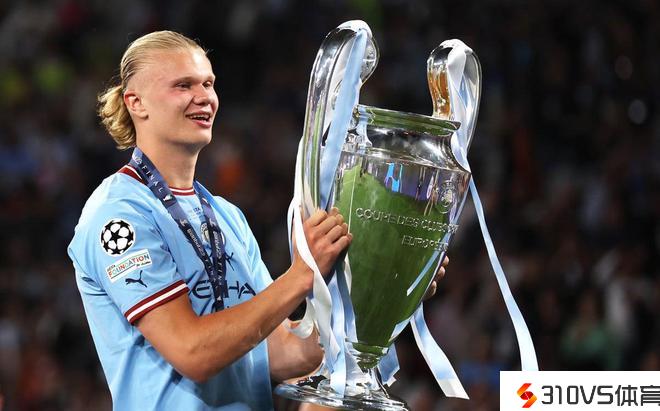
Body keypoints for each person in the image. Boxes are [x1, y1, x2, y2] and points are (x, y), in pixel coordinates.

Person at [68, 30, 448, 410]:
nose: (204, 97)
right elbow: (191, 352)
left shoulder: (226, 216)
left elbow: (285, 354)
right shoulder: (119, 214)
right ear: (136, 103)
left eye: (208, 84)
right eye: (183, 85)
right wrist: (302, 275)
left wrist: (382, 293)